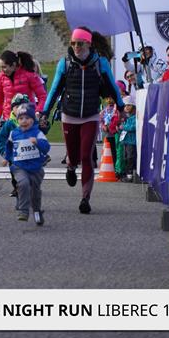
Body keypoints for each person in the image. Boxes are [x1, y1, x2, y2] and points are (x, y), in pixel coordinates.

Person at [41, 27, 123, 215]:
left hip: (90, 115)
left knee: (86, 157)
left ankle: (85, 198)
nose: (76, 47)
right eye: (73, 43)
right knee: (73, 155)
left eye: (80, 43)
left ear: (88, 44)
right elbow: (54, 89)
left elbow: (112, 86)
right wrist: (45, 111)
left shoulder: (100, 63)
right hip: (69, 115)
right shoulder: (64, 63)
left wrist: (120, 106)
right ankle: (71, 167)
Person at [3, 104, 50, 225]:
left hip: (35, 168)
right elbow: (8, 146)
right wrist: (7, 158)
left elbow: (46, 148)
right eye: (21, 118)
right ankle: (23, 210)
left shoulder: (38, 133)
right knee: (23, 183)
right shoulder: (14, 133)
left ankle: (37, 211)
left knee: (35, 192)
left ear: (33, 119)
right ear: (17, 120)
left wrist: (37, 142)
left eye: (27, 118)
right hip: (19, 166)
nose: (24, 121)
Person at [0, 50, 47, 128]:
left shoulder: (29, 75)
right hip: (8, 120)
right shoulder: (0, 77)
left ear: (13, 65)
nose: (2, 70)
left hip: (27, 120)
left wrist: (38, 112)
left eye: (4, 67)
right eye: (0, 67)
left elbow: (42, 96)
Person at [118, 97, 138, 182]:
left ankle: (130, 176)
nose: (127, 107)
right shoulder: (127, 117)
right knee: (126, 157)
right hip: (126, 141)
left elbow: (133, 127)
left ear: (133, 106)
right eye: (125, 105)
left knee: (130, 158)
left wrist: (123, 127)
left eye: (129, 105)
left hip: (132, 142)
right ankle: (128, 174)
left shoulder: (135, 117)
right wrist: (120, 128)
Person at [99, 97, 120, 177]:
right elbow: (101, 121)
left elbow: (117, 120)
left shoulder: (116, 111)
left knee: (114, 151)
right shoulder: (104, 111)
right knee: (109, 151)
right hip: (107, 134)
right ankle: (109, 166)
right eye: (108, 104)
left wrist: (113, 127)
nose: (110, 106)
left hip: (114, 133)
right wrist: (103, 126)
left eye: (111, 104)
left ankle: (115, 166)